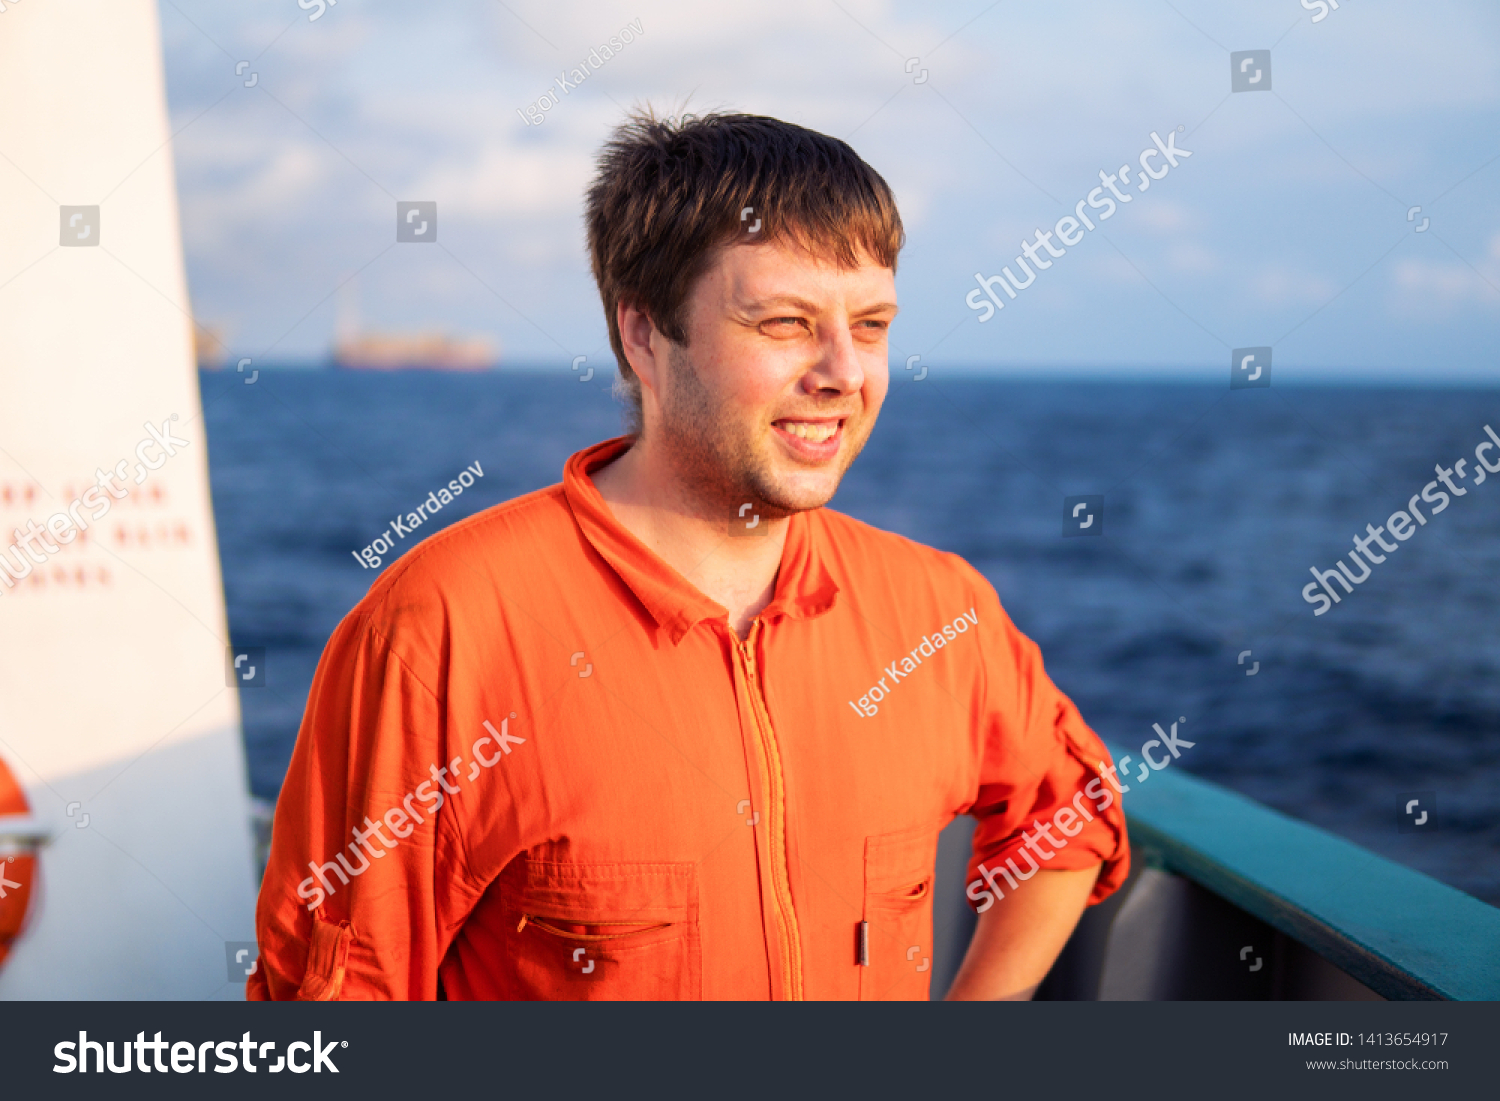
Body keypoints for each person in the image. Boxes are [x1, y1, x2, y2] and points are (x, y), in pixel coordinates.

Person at [250, 110, 1128, 1001]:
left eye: (870, 324)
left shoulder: (937, 614)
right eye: (784, 323)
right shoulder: (443, 628)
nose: (844, 372)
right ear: (645, 338)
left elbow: (1067, 815)